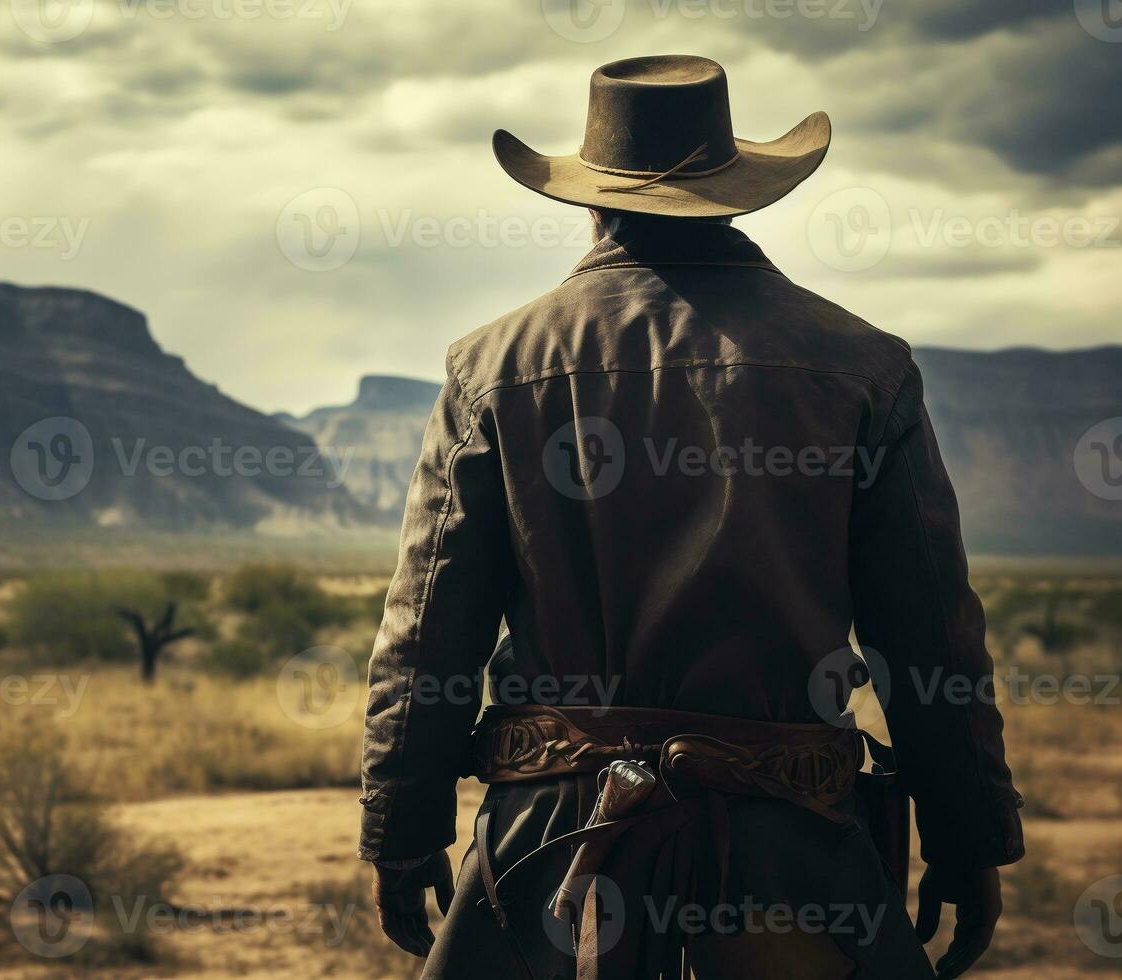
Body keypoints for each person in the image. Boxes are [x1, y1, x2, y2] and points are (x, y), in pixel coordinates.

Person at [358, 55, 1023, 979]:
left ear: (590, 203)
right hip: (793, 854)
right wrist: (966, 836)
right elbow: (932, 641)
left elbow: (427, 633)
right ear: (737, 198)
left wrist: (401, 828)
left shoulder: (494, 368)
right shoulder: (863, 368)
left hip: (550, 853)